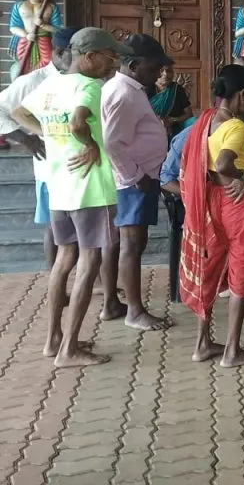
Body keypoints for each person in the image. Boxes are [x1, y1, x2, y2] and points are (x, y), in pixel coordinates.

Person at [12, 27, 131, 367]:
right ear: (90, 56)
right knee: (89, 261)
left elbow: (20, 113)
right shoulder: (89, 86)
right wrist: (90, 144)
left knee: (65, 259)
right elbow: (80, 122)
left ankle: (53, 340)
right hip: (90, 187)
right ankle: (70, 349)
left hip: (60, 186)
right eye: (111, 57)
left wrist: (49, 134)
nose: (114, 65)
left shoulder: (52, 85)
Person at [179, 64, 244, 367]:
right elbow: (224, 161)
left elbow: (205, 164)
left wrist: (223, 176)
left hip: (211, 203)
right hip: (239, 207)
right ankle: (232, 351)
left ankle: (202, 343)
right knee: (242, 273)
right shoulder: (236, 126)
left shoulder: (204, 121)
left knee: (210, 267)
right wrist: (241, 176)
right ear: (241, 95)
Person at [101, 34, 173, 332]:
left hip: (137, 177)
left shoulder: (130, 88)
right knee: (132, 243)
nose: (159, 73)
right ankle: (134, 311)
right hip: (133, 181)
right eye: (154, 67)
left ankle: (111, 304)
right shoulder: (123, 93)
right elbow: (112, 143)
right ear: (133, 65)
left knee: (124, 242)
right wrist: (137, 177)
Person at [0, 26, 79, 269]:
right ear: (60, 52)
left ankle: (94, 279)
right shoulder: (34, 81)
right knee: (55, 226)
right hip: (51, 168)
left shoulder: (79, 79)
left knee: (85, 224)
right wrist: (26, 138)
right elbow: (3, 109)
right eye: (77, 53)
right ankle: (57, 280)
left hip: (79, 165)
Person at [8, 0, 63, 82]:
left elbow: (58, 30)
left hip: (44, 40)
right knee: (23, 63)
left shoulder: (51, 7)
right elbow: (13, 27)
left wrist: (43, 25)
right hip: (26, 40)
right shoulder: (19, 6)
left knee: (48, 62)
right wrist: (26, 35)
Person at [149, 63, 192, 138]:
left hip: (174, 126)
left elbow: (189, 114)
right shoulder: (147, 88)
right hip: (151, 125)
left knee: (193, 121)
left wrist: (173, 120)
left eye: (169, 71)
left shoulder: (177, 90)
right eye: (161, 71)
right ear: (155, 72)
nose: (165, 74)